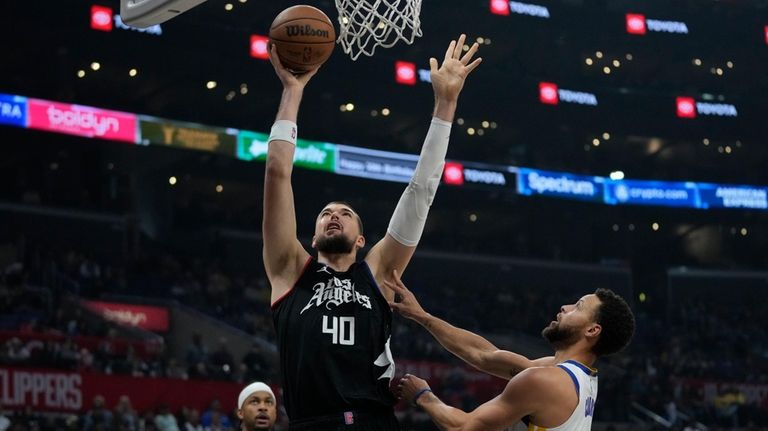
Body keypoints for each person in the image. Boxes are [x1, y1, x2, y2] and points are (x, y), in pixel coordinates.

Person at [263, 34, 482, 430]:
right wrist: (292, 89)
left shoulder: (377, 274)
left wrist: (445, 103)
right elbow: (277, 173)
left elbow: (421, 190)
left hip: (372, 420)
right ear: (311, 238)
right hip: (311, 422)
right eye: (326, 213)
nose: (334, 216)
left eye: (346, 214)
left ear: (362, 240)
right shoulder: (288, 270)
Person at [384, 276, 635, 431]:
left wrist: (423, 396)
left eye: (578, 306)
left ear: (592, 330)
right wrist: (422, 316)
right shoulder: (576, 375)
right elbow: (483, 354)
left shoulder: (545, 381)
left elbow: (462, 427)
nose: (565, 307)